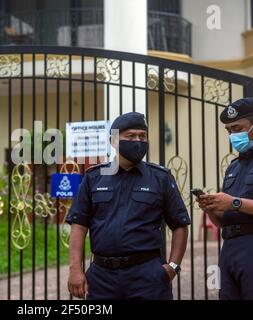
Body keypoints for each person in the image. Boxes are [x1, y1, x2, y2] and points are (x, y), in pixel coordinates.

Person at [66, 112, 190, 300]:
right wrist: (75, 270)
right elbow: (79, 225)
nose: (138, 141)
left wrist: (172, 267)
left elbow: (180, 224)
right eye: (130, 136)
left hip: (147, 276)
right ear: (114, 140)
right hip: (101, 277)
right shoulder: (93, 178)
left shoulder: (160, 178)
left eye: (142, 136)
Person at [197, 97, 253, 300]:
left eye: (237, 128)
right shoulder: (234, 167)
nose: (232, 135)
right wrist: (212, 208)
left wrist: (235, 203)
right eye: (229, 130)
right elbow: (223, 220)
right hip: (230, 248)